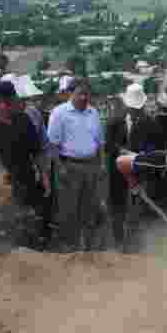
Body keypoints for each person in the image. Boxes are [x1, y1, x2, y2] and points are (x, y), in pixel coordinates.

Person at [0, 81, 50, 251]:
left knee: (28, 225)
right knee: (2, 227)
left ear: (13, 100)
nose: (5, 106)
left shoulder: (24, 121)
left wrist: (44, 176)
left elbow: (36, 151)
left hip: (26, 182)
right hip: (0, 187)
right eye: (0, 102)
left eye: (8, 101)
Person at [47, 78, 104, 253]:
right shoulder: (59, 113)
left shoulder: (93, 113)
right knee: (68, 209)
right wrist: (60, 167)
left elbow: (100, 142)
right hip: (68, 166)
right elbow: (53, 144)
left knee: (89, 208)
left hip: (91, 166)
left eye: (87, 94)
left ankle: (87, 249)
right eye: (80, 93)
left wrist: (101, 165)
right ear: (70, 93)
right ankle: (68, 250)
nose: (84, 97)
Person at [105, 82, 160, 252]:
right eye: (132, 108)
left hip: (139, 170)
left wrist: (140, 155)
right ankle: (118, 242)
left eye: (138, 109)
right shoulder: (114, 121)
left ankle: (134, 245)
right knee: (117, 206)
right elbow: (107, 145)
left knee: (137, 207)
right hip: (117, 171)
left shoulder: (151, 123)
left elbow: (154, 147)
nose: (135, 111)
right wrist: (121, 150)